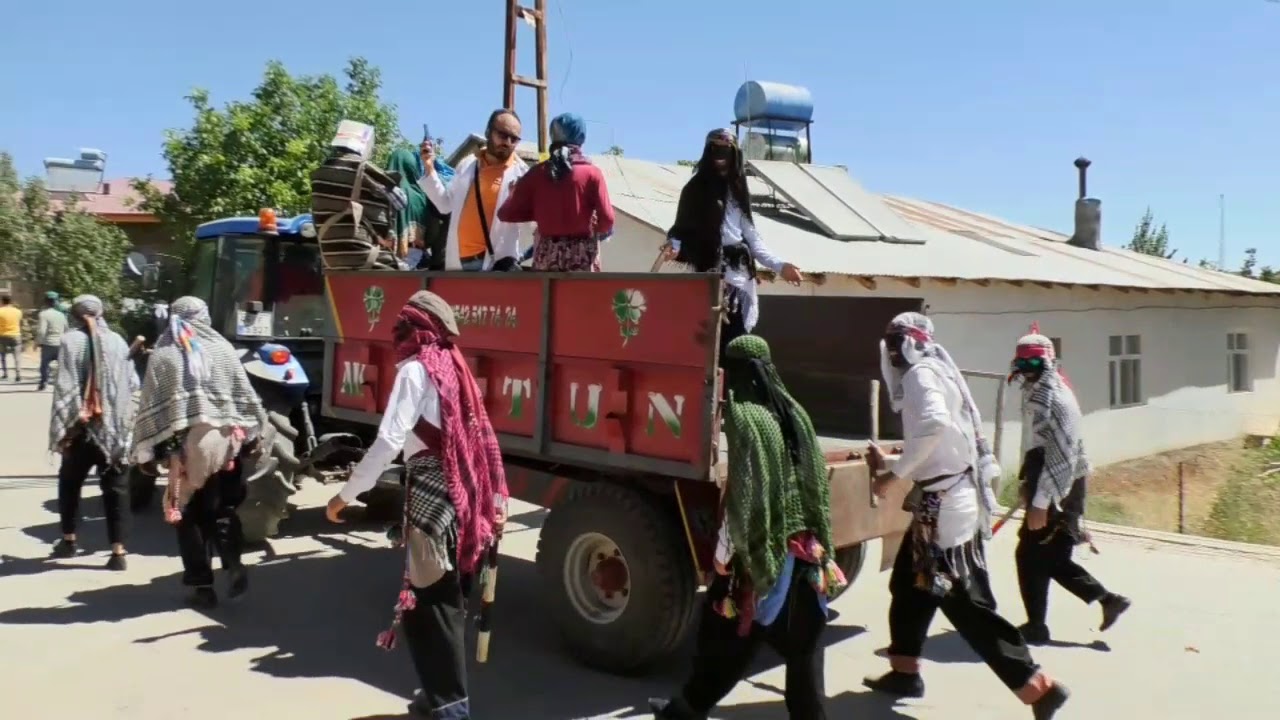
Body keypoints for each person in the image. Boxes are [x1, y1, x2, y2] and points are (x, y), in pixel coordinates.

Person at [862, 312, 1071, 719]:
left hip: (944, 507)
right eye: (889, 342)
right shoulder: (935, 371)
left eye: (897, 342)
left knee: (963, 603)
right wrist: (892, 462)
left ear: (912, 343)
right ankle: (905, 671)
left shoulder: (922, 374)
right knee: (908, 585)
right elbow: (945, 442)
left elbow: (935, 425)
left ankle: (1036, 685)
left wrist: (894, 475)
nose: (892, 351)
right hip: (942, 499)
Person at [325, 290, 509, 720]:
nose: (396, 334)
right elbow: (479, 438)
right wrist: (496, 499)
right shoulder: (455, 368)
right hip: (463, 499)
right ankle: (435, 696)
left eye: (402, 326)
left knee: (431, 607)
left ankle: (451, 707)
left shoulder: (415, 370)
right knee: (445, 601)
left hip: (432, 501)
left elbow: (389, 440)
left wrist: (345, 495)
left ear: (415, 330)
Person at [649, 335, 846, 720]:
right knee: (803, 640)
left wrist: (723, 555)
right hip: (808, 547)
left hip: (767, 548)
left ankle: (685, 711)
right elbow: (815, 485)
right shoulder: (795, 412)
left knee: (727, 635)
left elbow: (745, 492)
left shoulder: (747, 419)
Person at [131, 297, 268, 608]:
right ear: (204, 317)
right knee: (223, 510)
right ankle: (233, 564)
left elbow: (150, 406)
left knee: (189, 515)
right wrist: (251, 438)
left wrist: (145, 454)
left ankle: (202, 586)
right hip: (227, 444)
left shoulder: (165, 354)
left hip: (188, 450)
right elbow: (245, 397)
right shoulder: (223, 349)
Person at [1009, 329, 1130, 644]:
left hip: (1060, 486)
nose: (1027, 368)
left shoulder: (1055, 397)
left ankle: (1041, 624)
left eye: (1034, 361)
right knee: (1044, 556)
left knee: (1034, 554)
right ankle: (1104, 601)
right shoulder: (1037, 392)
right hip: (1047, 481)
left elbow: (1061, 455)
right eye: (1022, 362)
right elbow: (1034, 444)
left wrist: (1042, 501)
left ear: (1048, 361)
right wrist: (1027, 484)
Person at [660, 129, 803, 355]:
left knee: (737, 348)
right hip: (712, 278)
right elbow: (681, 229)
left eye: (725, 151)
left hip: (741, 282)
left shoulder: (738, 188)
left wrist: (780, 265)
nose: (720, 156)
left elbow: (752, 238)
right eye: (715, 150)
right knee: (711, 349)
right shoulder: (695, 189)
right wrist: (674, 247)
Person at [48, 295, 137, 569]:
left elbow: (65, 385)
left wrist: (65, 428)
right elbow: (132, 382)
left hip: (81, 429)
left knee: (70, 483)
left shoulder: (70, 340)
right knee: (116, 489)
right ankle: (118, 553)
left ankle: (69, 540)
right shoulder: (118, 340)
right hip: (114, 430)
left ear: (75, 315)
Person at [496, 112, 615, 271]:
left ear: (553, 136)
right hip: (581, 259)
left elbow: (505, 214)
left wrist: (537, 210)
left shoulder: (536, 173)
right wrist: (594, 229)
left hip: (546, 260)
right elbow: (607, 220)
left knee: (546, 289)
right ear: (581, 138)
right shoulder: (592, 174)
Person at [419, 109, 531, 272]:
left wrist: (518, 204)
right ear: (488, 132)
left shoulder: (523, 175)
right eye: (502, 135)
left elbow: (531, 228)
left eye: (513, 139)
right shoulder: (468, 164)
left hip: (495, 266)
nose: (507, 142)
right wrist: (429, 166)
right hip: (459, 263)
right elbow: (445, 205)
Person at [36, 291, 68, 391]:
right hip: (60, 343)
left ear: (45, 301)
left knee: (44, 365)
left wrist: (38, 342)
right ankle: (63, 384)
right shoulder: (61, 315)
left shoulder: (43, 314)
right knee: (62, 365)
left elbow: (42, 331)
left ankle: (44, 382)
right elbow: (66, 329)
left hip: (48, 344)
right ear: (56, 302)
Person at [0, 294, 22, 382]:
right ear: (11, 301)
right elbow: (19, 322)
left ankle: (5, 373)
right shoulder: (18, 311)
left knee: (3, 355)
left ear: (2, 301)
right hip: (15, 335)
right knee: (17, 356)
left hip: (2, 336)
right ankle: (18, 374)